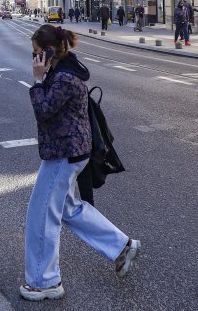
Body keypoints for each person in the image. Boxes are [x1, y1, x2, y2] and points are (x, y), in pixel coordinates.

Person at [20, 24, 141, 301]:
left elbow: (43, 111)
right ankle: (122, 246)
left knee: (41, 215)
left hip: (64, 153)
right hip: (68, 150)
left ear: (49, 51)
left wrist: (38, 81)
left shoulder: (63, 78)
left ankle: (44, 281)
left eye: (37, 53)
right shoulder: (65, 68)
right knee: (68, 208)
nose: (34, 59)